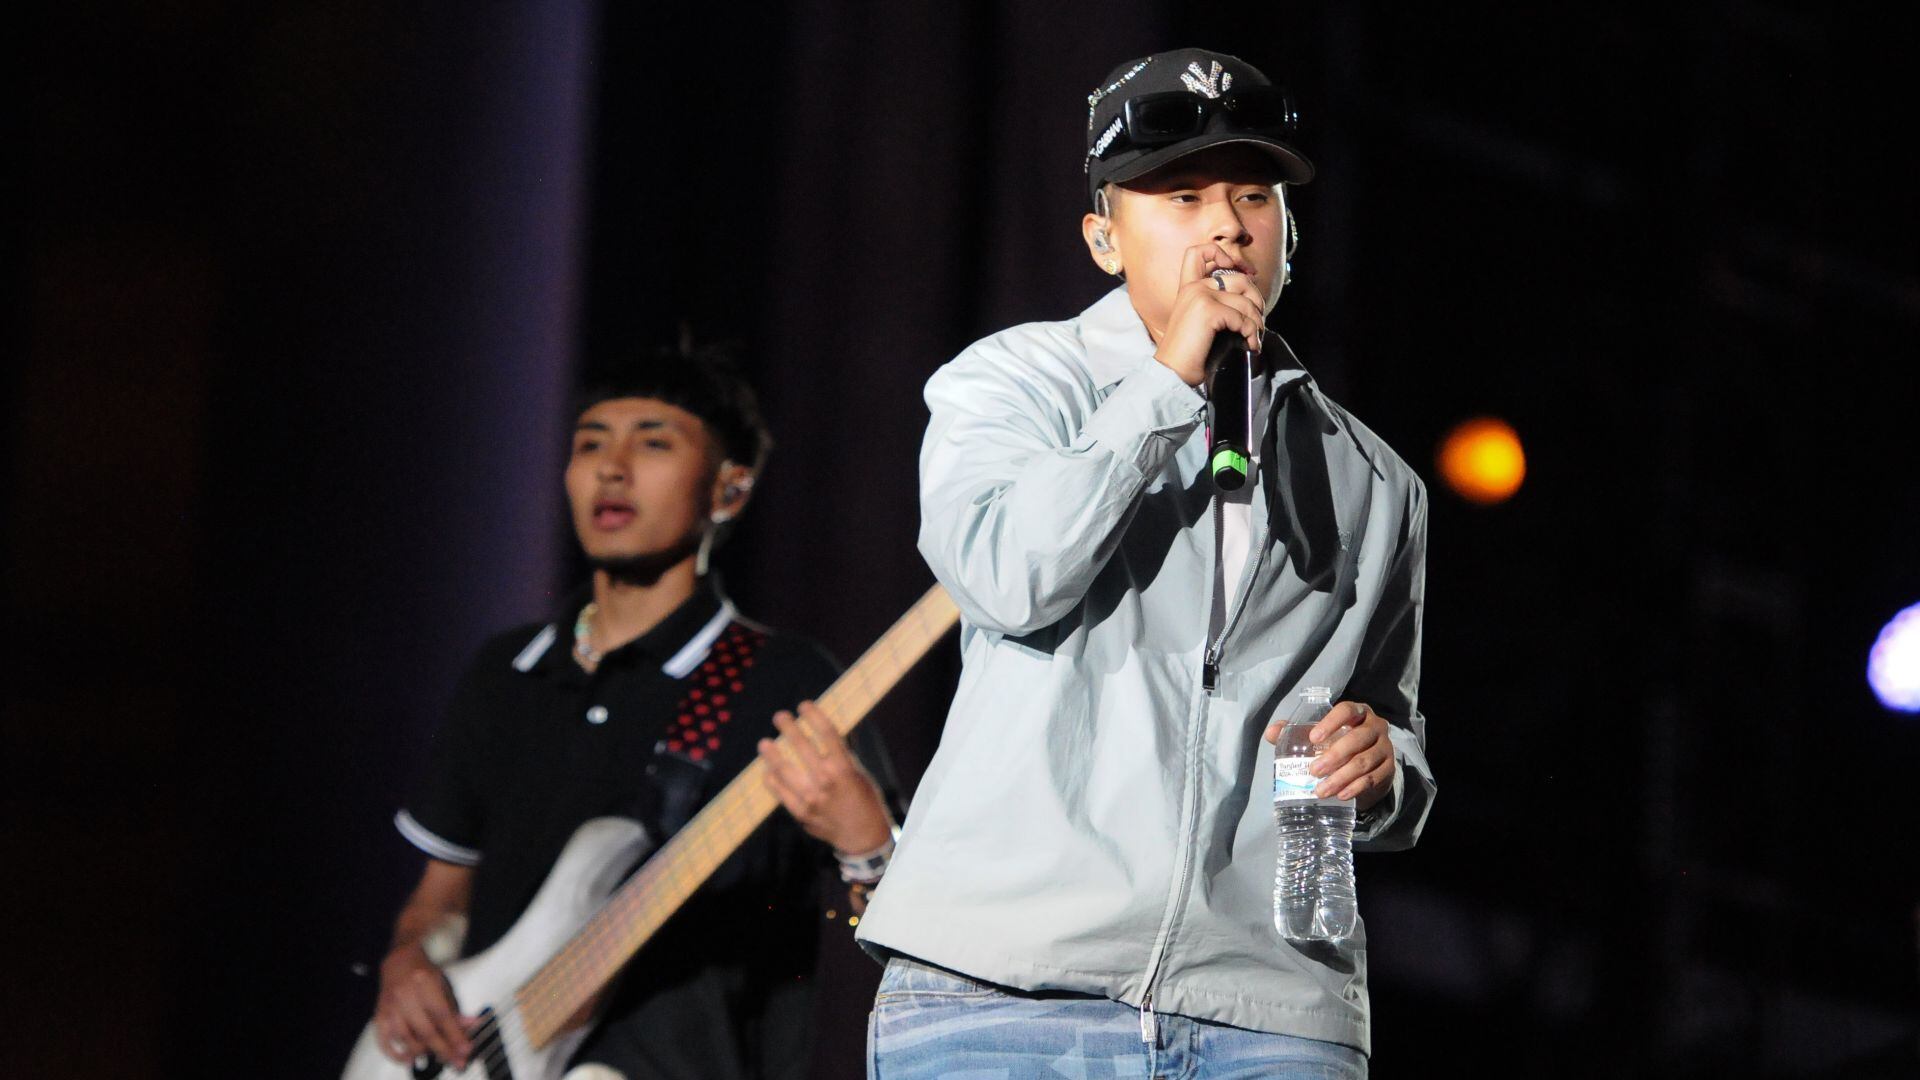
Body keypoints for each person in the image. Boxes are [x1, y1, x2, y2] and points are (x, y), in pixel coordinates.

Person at [856, 48, 1436, 1078]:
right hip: (1007, 985)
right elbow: (1006, 577)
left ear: (1289, 236)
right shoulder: (1012, 383)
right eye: (1181, 197)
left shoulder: (1375, 480)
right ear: (1104, 238)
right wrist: (1167, 386)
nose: (1226, 228)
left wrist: (1383, 770)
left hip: (1270, 1011)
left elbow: (1396, 735)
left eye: (1252, 196)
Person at [367, 347, 901, 1080]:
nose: (612, 469)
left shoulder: (788, 680)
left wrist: (867, 843)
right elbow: (440, 899)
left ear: (729, 490)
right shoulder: (507, 670)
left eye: (653, 444)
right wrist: (408, 961)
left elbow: (892, 925)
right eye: (591, 444)